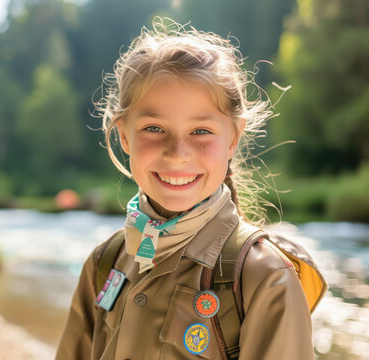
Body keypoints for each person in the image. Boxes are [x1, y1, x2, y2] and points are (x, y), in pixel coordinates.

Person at [56, 18, 315, 360]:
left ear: (233, 139)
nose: (177, 153)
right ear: (123, 135)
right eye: (154, 128)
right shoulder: (104, 264)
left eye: (201, 131)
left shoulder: (265, 277)